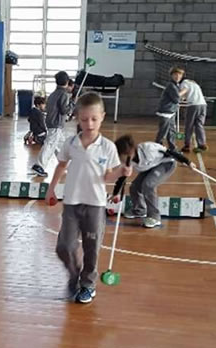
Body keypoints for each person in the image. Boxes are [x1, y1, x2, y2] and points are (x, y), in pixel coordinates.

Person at [45, 93, 131, 304]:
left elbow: (106, 176)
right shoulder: (71, 143)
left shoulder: (108, 147)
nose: (89, 124)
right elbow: (61, 165)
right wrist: (51, 189)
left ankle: (87, 285)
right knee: (64, 246)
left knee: (92, 248)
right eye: (84, 119)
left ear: (102, 116)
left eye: (94, 118)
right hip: (72, 203)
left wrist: (121, 172)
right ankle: (74, 274)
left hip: (95, 205)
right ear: (77, 118)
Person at [113, 135, 194, 228]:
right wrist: (115, 193)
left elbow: (171, 152)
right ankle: (139, 210)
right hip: (150, 167)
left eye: (120, 155)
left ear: (129, 152)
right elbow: (122, 177)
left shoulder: (149, 149)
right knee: (134, 187)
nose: (119, 158)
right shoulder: (128, 161)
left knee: (148, 185)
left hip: (166, 164)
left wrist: (188, 162)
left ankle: (154, 217)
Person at [32, 71, 73, 177]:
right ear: (67, 82)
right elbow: (64, 110)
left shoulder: (53, 94)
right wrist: (72, 105)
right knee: (50, 144)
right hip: (56, 124)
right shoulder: (63, 94)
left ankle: (66, 165)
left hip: (52, 123)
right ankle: (39, 165)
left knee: (60, 146)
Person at [156, 67, 187, 150]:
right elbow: (176, 99)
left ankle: (172, 148)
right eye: (176, 75)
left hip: (171, 112)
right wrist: (183, 92)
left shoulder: (175, 85)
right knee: (163, 132)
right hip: (165, 112)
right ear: (172, 75)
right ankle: (157, 148)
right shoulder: (171, 85)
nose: (178, 77)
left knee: (171, 131)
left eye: (180, 75)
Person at [180, 78, 208, 153]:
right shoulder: (195, 84)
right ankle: (202, 144)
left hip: (193, 105)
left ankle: (187, 145)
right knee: (199, 125)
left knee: (189, 126)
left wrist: (177, 96)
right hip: (203, 105)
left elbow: (184, 90)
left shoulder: (184, 83)